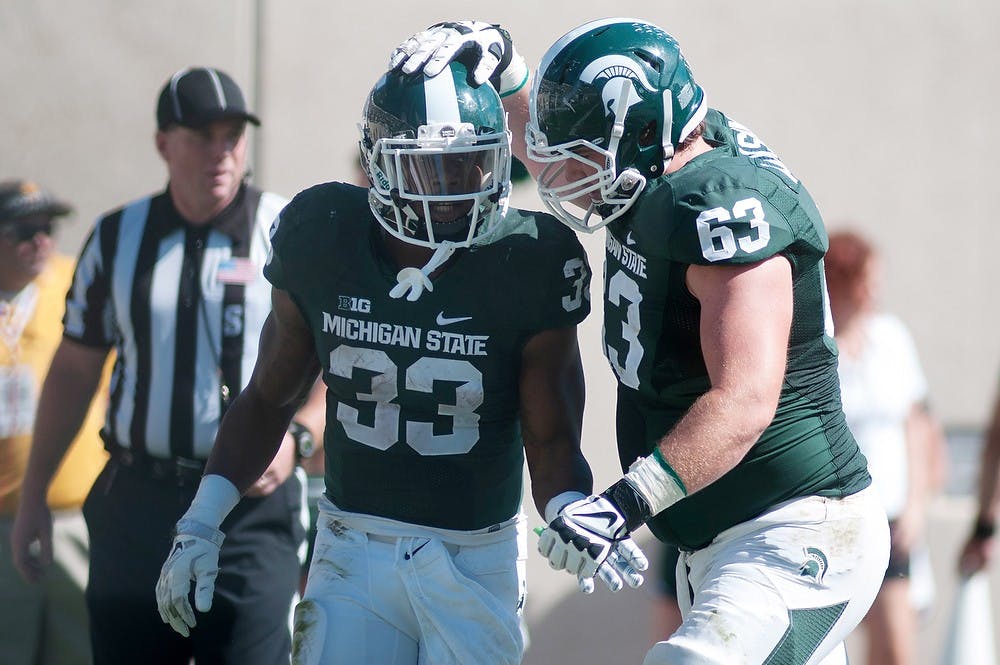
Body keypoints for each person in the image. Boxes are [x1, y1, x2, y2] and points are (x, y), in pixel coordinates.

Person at [391, 18, 891, 664]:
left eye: (586, 152)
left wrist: (622, 504)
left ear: (644, 134)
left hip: (794, 535)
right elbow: (560, 150)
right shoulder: (657, 155)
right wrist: (509, 68)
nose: (557, 172)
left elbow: (744, 398)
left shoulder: (724, 207)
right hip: (721, 541)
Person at [153, 60, 639, 665]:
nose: (456, 184)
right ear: (379, 162)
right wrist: (201, 522)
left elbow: (551, 436)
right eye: (431, 165)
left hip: (476, 554)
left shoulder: (528, 258)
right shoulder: (321, 234)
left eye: (472, 161)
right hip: (352, 545)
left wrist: (568, 506)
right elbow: (269, 395)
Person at [11, 67, 310, 665]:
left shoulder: (287, 230)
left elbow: (333, 357)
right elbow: (74, 371)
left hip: (247, 509)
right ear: (162, 144)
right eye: (201, 135)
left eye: (232, 134)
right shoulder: (118, 237)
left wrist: (301, 436)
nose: (220, 152)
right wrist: (34, 495)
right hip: (139, 502)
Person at [0, 180, 109, 665]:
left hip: (74, 518)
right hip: (2, 521)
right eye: (25, 230)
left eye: (48, 228)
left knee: (82, 651)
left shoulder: (75, 280)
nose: (41, 240)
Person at [825, 229, 944, 664]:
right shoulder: (816, 347)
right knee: (828, 646)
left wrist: (917, 505)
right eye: (867, 278)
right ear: (840, 281)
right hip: (836, 517)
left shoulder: (891, 336)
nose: (876, 289)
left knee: (895, 646)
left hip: (891, 514)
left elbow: (917, 424)